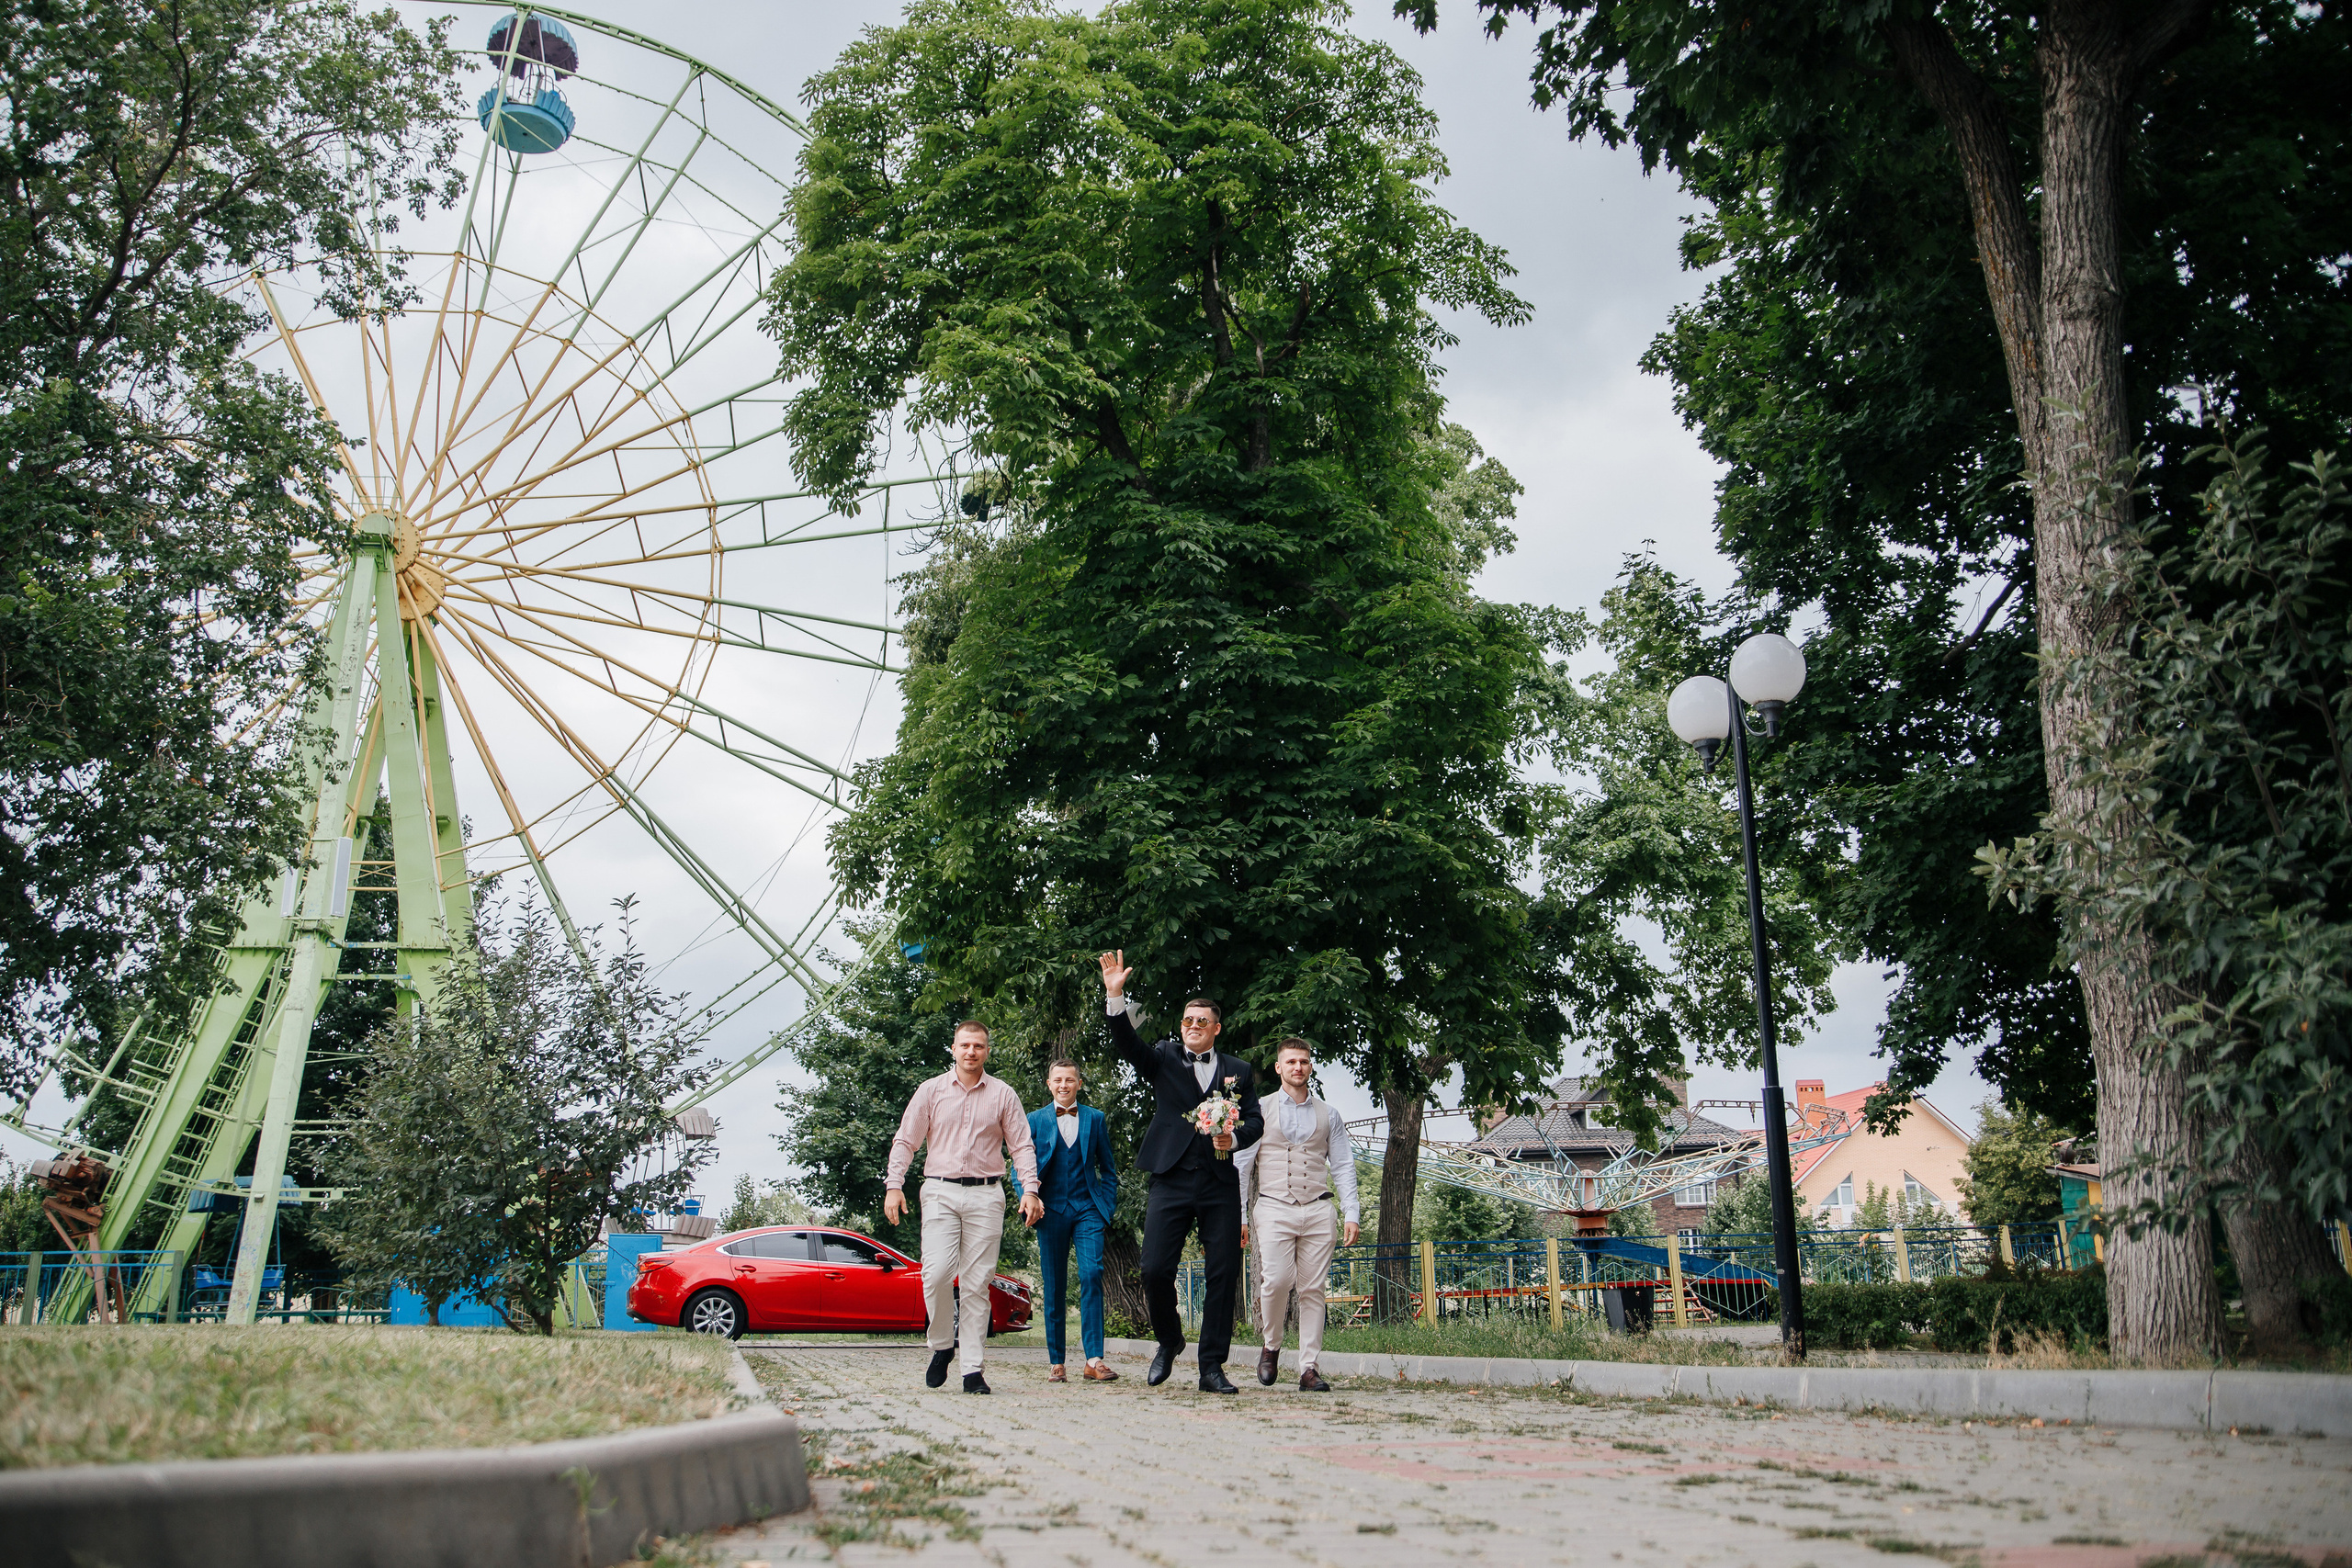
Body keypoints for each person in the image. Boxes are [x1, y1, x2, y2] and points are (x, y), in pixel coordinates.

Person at [1097, 948, 1262, 1393]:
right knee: (1153, 1269)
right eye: (1187, 1021)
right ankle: (1168, 1341)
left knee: (1223, 1273)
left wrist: (1237, 1138)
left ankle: (1212, 1366)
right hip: (1169, 1177)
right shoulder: (1164, 1057)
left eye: (1201, 1022)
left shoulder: (1239, 1071)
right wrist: (1116, 997)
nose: (1192, 1027)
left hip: (1218, 1181)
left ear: (1216, 1028)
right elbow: (1127, 1044)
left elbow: (1255, 1122)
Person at [883, 1021, 1045, 1393]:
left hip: (987, 1195)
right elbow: (906, 1140)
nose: (971, 1052)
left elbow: (1021, 1146)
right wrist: (894, 1185)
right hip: (939, 1191)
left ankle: (972, 1369)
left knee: (976, 1283)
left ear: (987, 1051)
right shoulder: (930, 1091)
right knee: (936, 1275)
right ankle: (941, 1345)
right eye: (965, 1045)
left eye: (979, 1046)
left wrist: (1030, 1190)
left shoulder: (1003, 1094)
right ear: (953, 1049)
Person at [1236, 1036, 1360, 1392]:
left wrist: (1351, 1211)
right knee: (1275, 1281)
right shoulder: (1259, 1109)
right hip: (1273, 1205)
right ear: (1278, 1067)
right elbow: (1241, 1165)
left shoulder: (1329, 1114)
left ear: (1310, 1065)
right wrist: (1239, 1217)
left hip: (1319, 1208)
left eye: (1303, 1061)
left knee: (1313, 1289)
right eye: (1290, 1062)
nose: (1298, 1068)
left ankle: (1309, 1367)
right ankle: (1271, 1345)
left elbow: (1344, 1165)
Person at [1011, 1059, 1122, 1382]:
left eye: (1069, 1080)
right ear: (1049, 1083)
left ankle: (1094, 1359)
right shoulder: (1034, 1120)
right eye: (1058, 1080)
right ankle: (1056, 1361)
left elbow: (1109, 1170)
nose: (1063, 1085)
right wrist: (1027, 1197)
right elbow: (1022, 1166)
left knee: (1092, 1274)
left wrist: (1106, 1207)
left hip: (1088, 1208)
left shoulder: (1095, 1119)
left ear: (1079, 1083)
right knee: (1055, 1283)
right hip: (1050, 1209)